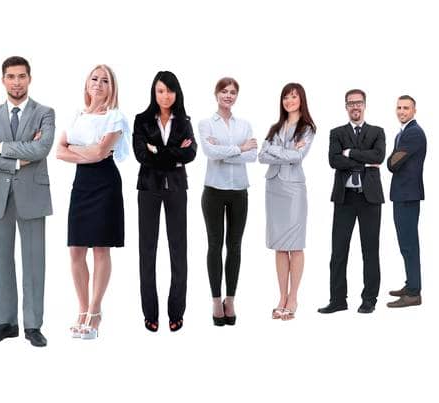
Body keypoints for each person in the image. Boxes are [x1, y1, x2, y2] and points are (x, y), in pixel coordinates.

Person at [0, 56, 55, 347]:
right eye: (11, 77)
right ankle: (6, 323)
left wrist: (3, 147)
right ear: (3, 79)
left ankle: (33, 325)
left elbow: (42, 148)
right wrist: (18, 160)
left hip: (33, 196)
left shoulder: (45, 112)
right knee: (1, 261)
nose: (16, 82)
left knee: (34, 262)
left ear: (29, 78)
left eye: (21, 76)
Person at [54, 65, 129, 340]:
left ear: (112, 87)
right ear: (87, 84)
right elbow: (59, 152)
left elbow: (101, 152)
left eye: (105, 80)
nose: (98, 83)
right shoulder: (77, 115)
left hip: (105, 183)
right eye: (94, 79)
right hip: (81, 184)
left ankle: (95, 312)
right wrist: (86, 152)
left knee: (100, 248)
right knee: (75, 250)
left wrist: (77, 150)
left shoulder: (115, 117)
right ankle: (82, 308)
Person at [131, 71, 196, 332]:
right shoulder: (142, 120)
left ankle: (176, 311)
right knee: (147, 251)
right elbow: (140, 155)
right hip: (148, 189)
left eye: (169, 91)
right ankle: (150, 312)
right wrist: (173, 154)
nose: (165, 95)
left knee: (178, 251)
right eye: (160, 91)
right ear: (153, 92)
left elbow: (190, 153)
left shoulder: (184, 121)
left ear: (176, 92)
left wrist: (157, 150)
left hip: (177, 189)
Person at [319, 89, 387, 315]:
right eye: (350, 103)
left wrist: (348, 153)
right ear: (346, 107)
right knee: (338, 250)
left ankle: (369, 299)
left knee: (370, 250)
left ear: (365, 105)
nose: (355, 107)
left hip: (370, 199)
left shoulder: (377, 131)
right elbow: (333, 160)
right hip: (344, 198)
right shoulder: (336, 133)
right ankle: (338, 299)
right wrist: (361, 160)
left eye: (358, 103)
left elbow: (378, 157)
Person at [196, 77, 256, 326]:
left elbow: (252, 155)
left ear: (236, 96)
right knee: (214, 245)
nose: (228, 95)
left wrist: (229, 149)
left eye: (232, 92)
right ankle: (215, 299)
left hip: (239, 191)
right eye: (224, 91)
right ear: (216, 94)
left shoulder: (244, 124)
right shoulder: (205, 124)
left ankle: (230, 299)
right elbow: (210, 153)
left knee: (235, 246)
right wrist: (239, 149)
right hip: (213, 191)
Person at [260, 83, 316, 321]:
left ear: (301, 100)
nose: (289, 100)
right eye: (286, 97)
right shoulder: (275, 127)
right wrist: (286, 150)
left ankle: (294, 297)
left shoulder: (308, 128)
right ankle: (281, 296)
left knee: (295, 244)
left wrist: (278, 150)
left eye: (294, 97)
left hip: (293, 189)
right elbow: (261, 155)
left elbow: (298, 157)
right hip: (273, 187)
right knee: (280, 245)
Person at [386, 95, 425, 308]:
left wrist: (390, 159)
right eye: (399, 107)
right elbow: (394, 160)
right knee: (405, 244)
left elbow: (392, 163)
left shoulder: (413, 134)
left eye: (406, 108)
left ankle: (413, 293)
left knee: (409, 244)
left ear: (414, 110)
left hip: (407, 196)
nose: (401, 111)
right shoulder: (404, 133)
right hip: (403, 195)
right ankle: (411, 283)